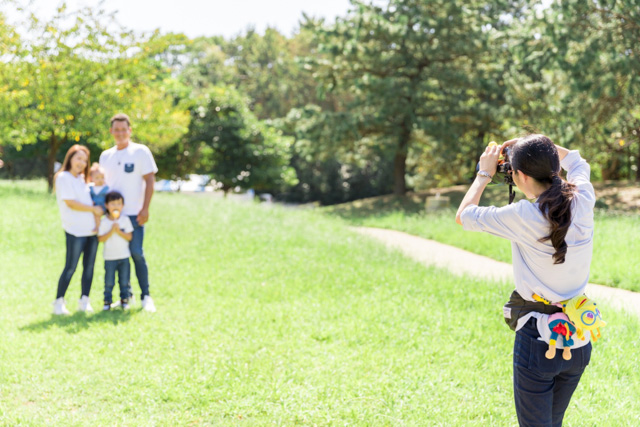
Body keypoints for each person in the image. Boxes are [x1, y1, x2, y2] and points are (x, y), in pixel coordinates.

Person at [455, 134, 596, 427]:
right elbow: (577, 161)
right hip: (580, 335)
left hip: (538, 340)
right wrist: (532, 143)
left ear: (518, 175)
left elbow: (464, 216)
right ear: (554, 168)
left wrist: (484, 173)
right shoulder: (583, 198)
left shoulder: (523, 215)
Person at [99, 113, 157, 312]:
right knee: (117, 257)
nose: (120, 133)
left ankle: (146, 296)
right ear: (111, 131)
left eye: (124, 129)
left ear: (130, 130)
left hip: (134, 213)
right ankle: (125, 295)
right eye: (116, 130)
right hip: (112, 216)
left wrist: (146, 208)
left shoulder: (141, 152)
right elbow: (102, 186)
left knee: (136, 253)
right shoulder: (106, 156)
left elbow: (150, 180)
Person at [53, 145, 103, 315]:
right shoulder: (63, 177)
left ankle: (84, 300)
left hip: (91, 231)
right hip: (75, 231)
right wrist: (93, 210)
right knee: (70, 267)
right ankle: (59, 302)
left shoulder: (83, 180)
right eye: (78, 158)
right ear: (70, 158)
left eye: (84, 160)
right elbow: (70, 202)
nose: (81, 163)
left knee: (89, 267)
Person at [98, 191, 133, 311]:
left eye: (119, 203)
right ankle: (107, 302)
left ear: (123, 205)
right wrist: (111, 231)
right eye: (113, 204)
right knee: (109, 281)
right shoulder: (104, 221)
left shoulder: (125, 220)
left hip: (124, 256)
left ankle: (124, 300)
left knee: (124, 280)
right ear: (107, 205)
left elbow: (129, 237)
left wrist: (119, 231)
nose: (116, 206)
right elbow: (101, 238)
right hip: (109, 257)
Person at [89, 163, 109, 233]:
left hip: (102, 206)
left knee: (97, 215)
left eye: (102, 177)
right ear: (91, 178)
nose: (100, 180)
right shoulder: (90, 187)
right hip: (93, 206)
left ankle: (98, 228)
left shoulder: (106, 188)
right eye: (97, 178)